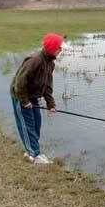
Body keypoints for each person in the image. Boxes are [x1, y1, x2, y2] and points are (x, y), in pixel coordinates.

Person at [10, 33, 64, 164]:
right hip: (21, 95)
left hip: (32, 96)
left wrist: (50, 104)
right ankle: (33, 154)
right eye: (59, 47)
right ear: (52, 49)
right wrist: (24, 101)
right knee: (27, 126)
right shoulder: (34, 61)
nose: (61, 49)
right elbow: (19, 83)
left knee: (36, 124)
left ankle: (33, 150)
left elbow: (47, 85)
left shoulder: (50, 63)